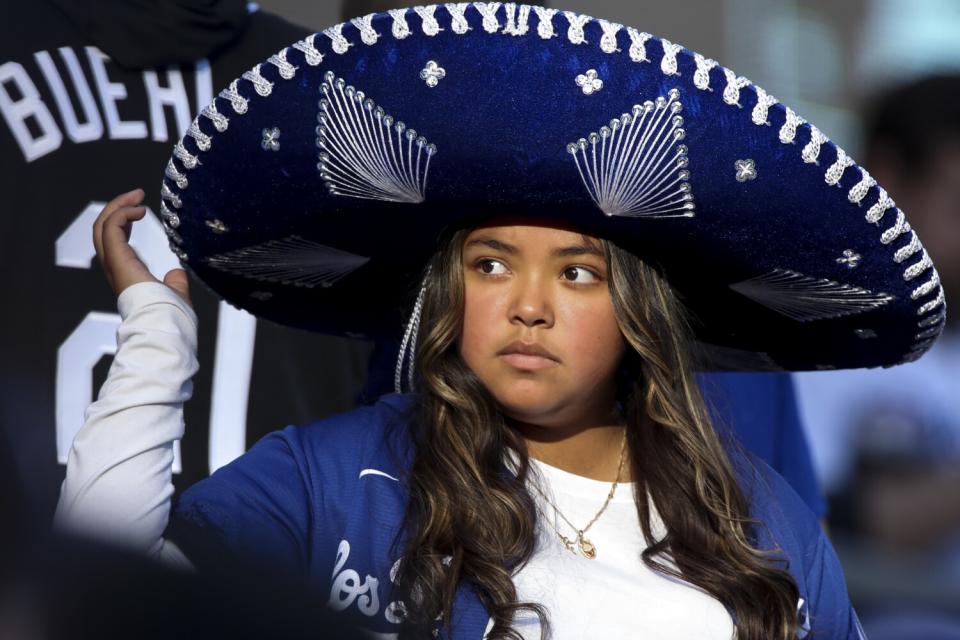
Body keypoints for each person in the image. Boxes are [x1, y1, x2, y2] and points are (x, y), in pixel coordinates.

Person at [58, 5, 945, 639]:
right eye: (490, 263)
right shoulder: (334, 477)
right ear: (449, 288)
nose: (528, 305)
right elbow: (97, 588)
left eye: (578, 273)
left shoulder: (756, 519)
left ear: (643, 310)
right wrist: (155, 342)